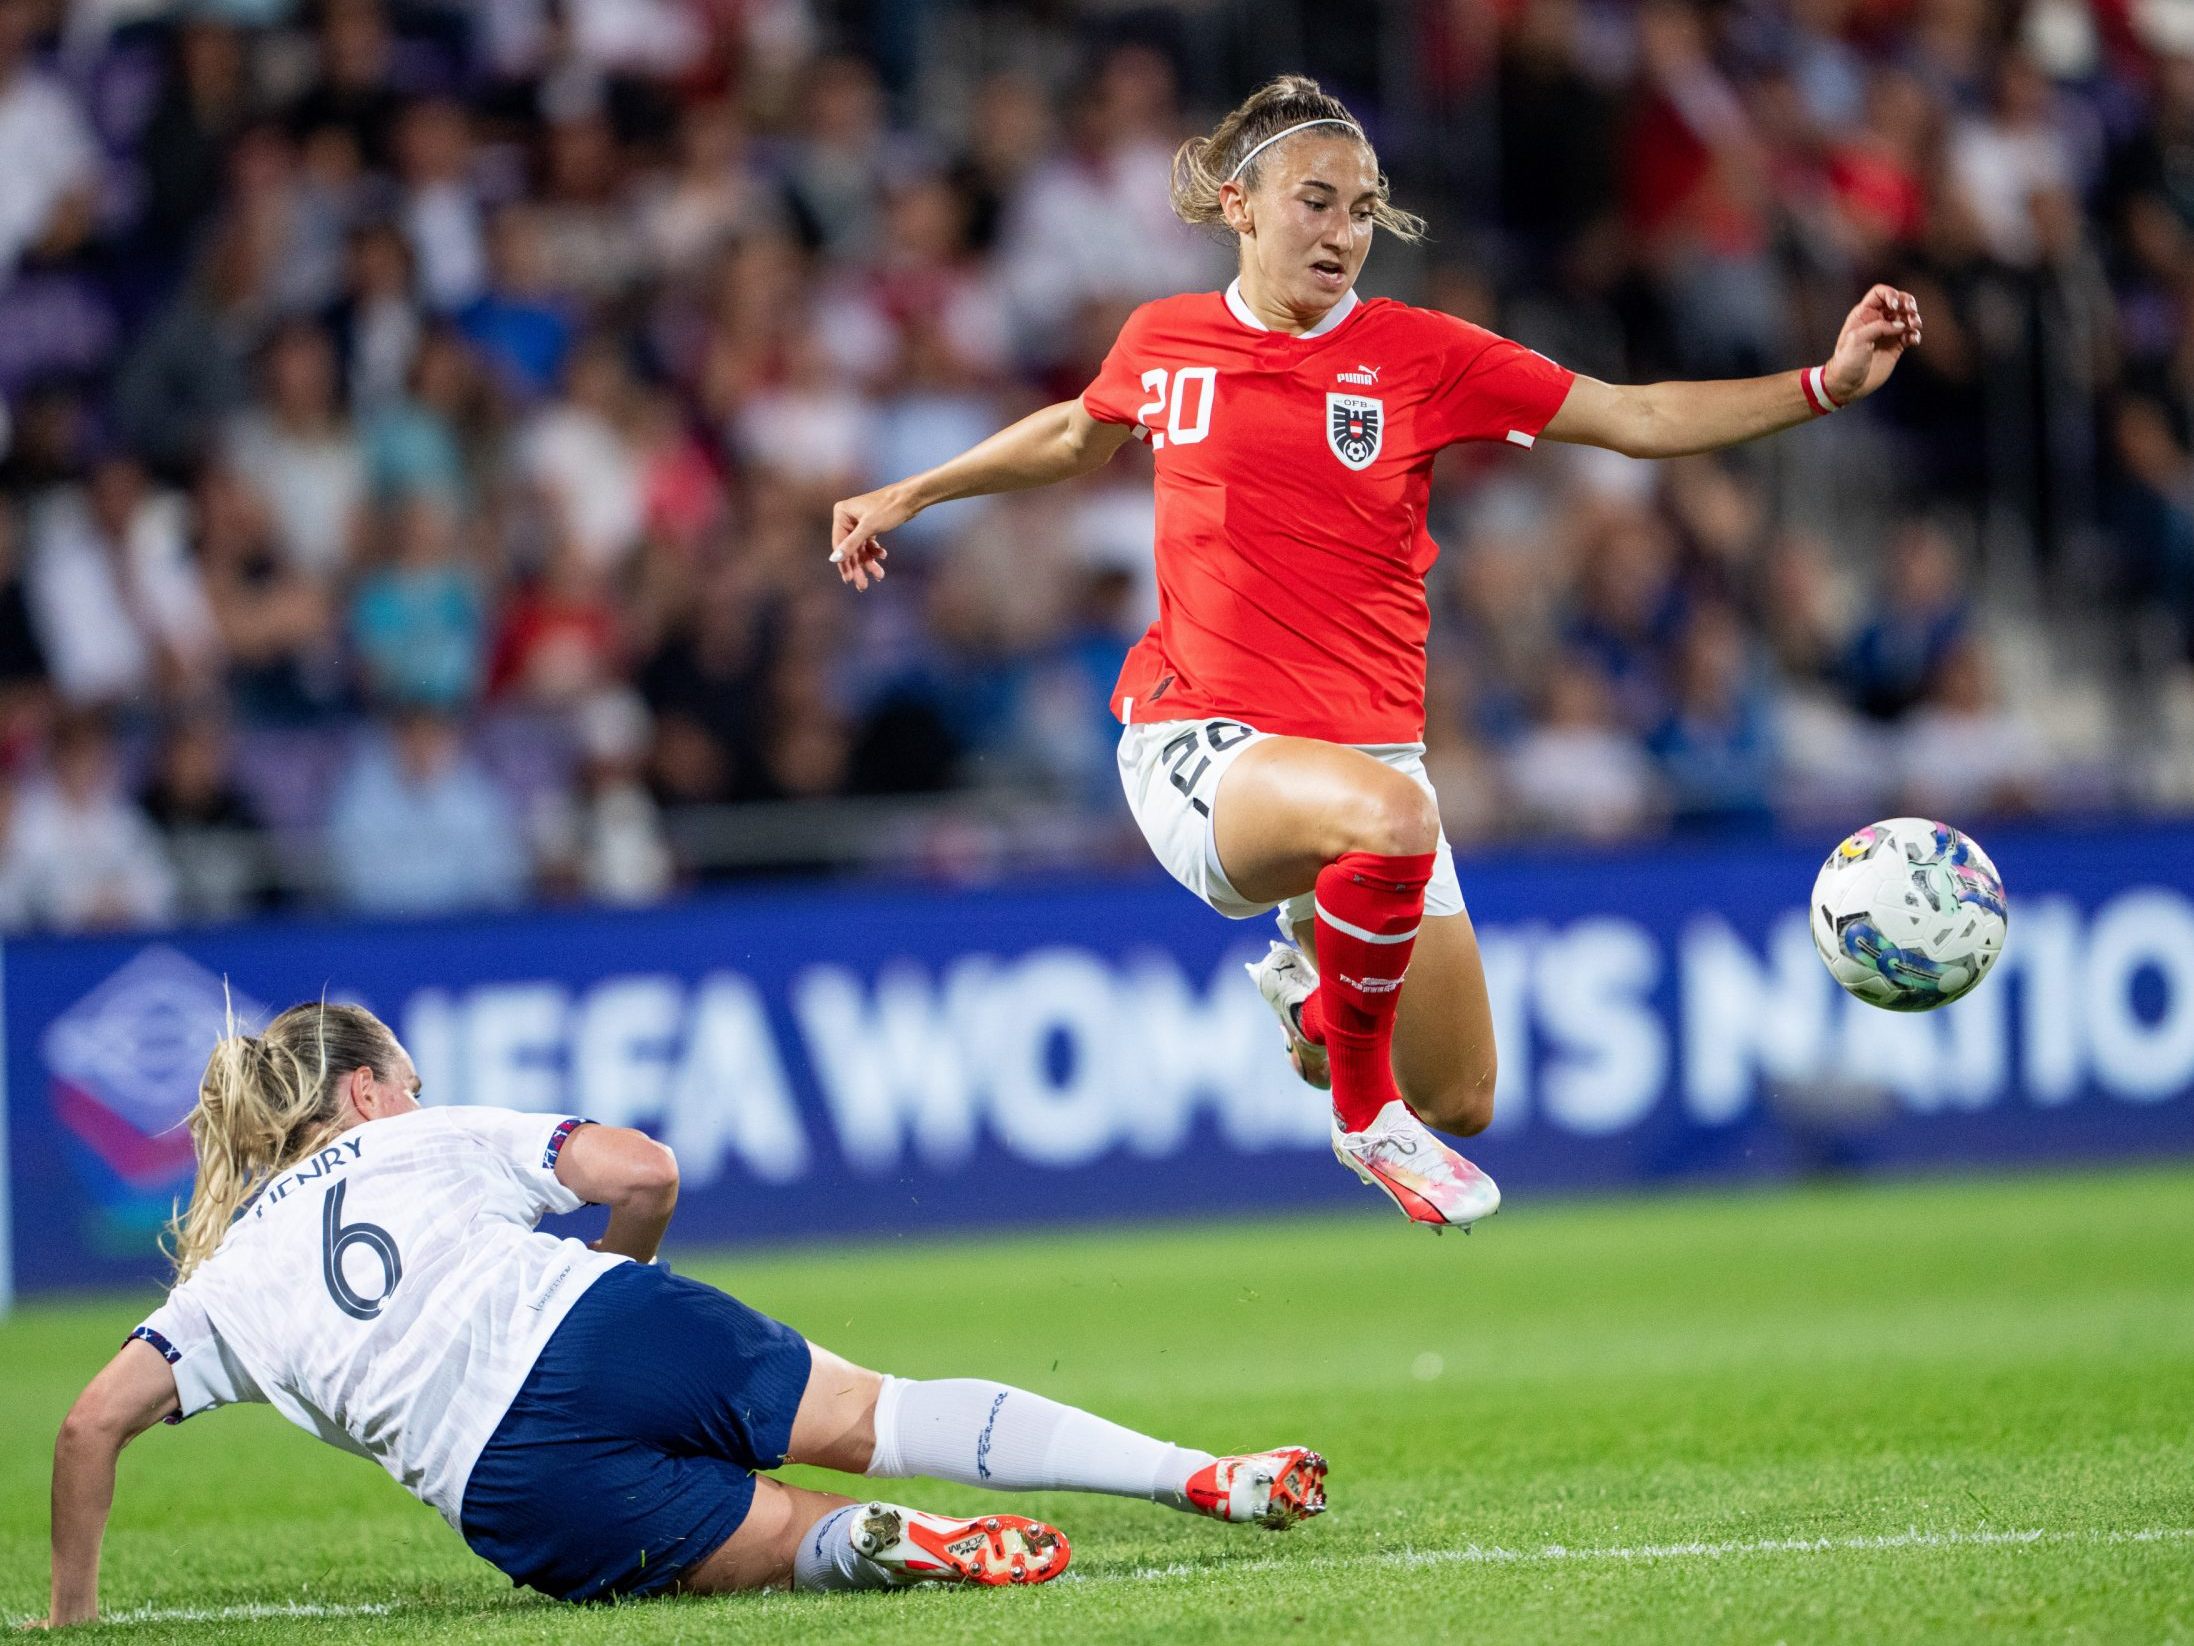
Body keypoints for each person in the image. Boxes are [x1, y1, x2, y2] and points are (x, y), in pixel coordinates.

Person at [830, 74, 1922, 1230]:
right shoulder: (1165, 340)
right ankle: (1362, 1116)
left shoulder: (1418, 354)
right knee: (1390, 839)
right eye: (1316, 202)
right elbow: (1069, 433)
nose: (1344, 233)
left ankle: (1317, 1020)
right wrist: (913, 490)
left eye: (1363, 209)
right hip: (1200, 739)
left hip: (1368, 761)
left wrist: (1825, 384)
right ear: (1240, 204)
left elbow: (1636, 416)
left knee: (1462, 1092)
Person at [33, 1002, 1324, 1627]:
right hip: (588, 1316)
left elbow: (88, 1427)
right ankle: (1195, 1472)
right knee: (886, 1409)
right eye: (409, 1076)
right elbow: (642, 1168)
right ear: (365, 1092)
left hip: (507, 1483)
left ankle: (895, 1540)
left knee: (786, 1536)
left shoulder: (228, 1281)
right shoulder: (418, 1140)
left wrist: (74, 1609)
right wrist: (628, 1284)